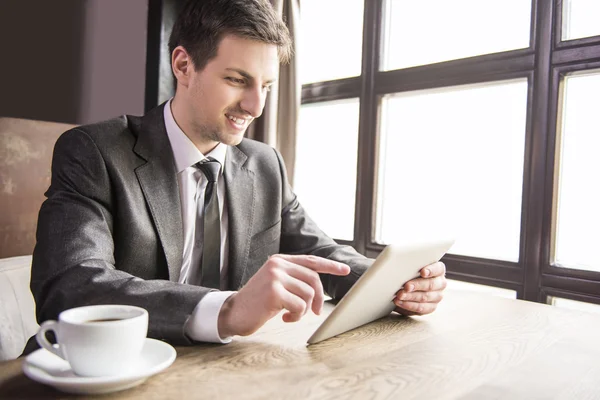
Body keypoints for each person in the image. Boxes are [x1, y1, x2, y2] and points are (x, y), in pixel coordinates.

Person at [25, 0, 446, 351]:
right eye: (236, 80)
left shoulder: (265, 165)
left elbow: (324, 256)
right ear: (184, 65)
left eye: (265, 85)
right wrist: (225, 310)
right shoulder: (93, 151)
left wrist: (393, 282)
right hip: (104, 371)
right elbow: (70, 285)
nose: (256, 106)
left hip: (223, 374)